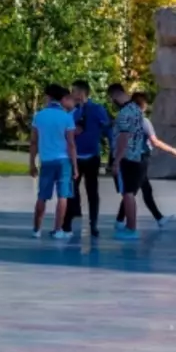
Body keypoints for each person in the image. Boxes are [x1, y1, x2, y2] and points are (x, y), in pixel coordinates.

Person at [111, 85, 176, 237]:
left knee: (134, 191)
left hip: (133, 159)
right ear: (142, 105)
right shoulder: (142, 120)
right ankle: (129, 224)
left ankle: (125, 221)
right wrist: (171, 150)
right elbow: (153, 141)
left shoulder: (127, 115)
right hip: (138, 158)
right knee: (131, 192)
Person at [29, 84, 78, 240]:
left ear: (49, 97)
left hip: (47, 160)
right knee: (63, 196)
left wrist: (31, 163)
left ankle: (37, 229)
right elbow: (71, 144)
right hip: (64, 160)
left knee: (42, 196)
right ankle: (58, 230)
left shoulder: (39, 116)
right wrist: (75, 165)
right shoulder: (67, 117)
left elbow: (34, 142)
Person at [65, 81, 113, 236]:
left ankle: (94, 224)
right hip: (75, 157)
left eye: (74, 91)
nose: (72, 94)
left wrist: (113, 147)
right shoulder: (72, 111)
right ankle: (70, 219)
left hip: (92, 156)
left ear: (81, 93)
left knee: (92, 191)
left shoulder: (97, 109)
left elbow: (107, 129)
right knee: (72, 189)